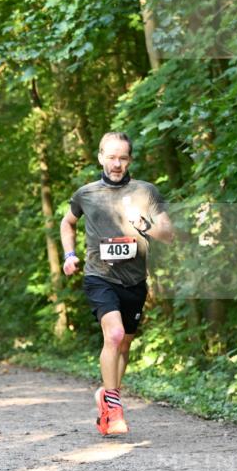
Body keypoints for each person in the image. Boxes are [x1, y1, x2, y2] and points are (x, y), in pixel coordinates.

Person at [60, 131, 174, 436]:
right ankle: (113, 409)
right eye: (111, 157)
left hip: (135, 280)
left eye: (123, 157)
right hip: (99, 277)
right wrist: (69, 255)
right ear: (100, 157)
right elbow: (67, 223)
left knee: (124, 344)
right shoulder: (86, 194)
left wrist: (145, 225)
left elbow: (168, 233)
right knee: (114, 335)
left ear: (130, 160)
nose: (117, 163)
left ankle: (106, 395)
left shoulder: (146, 192)